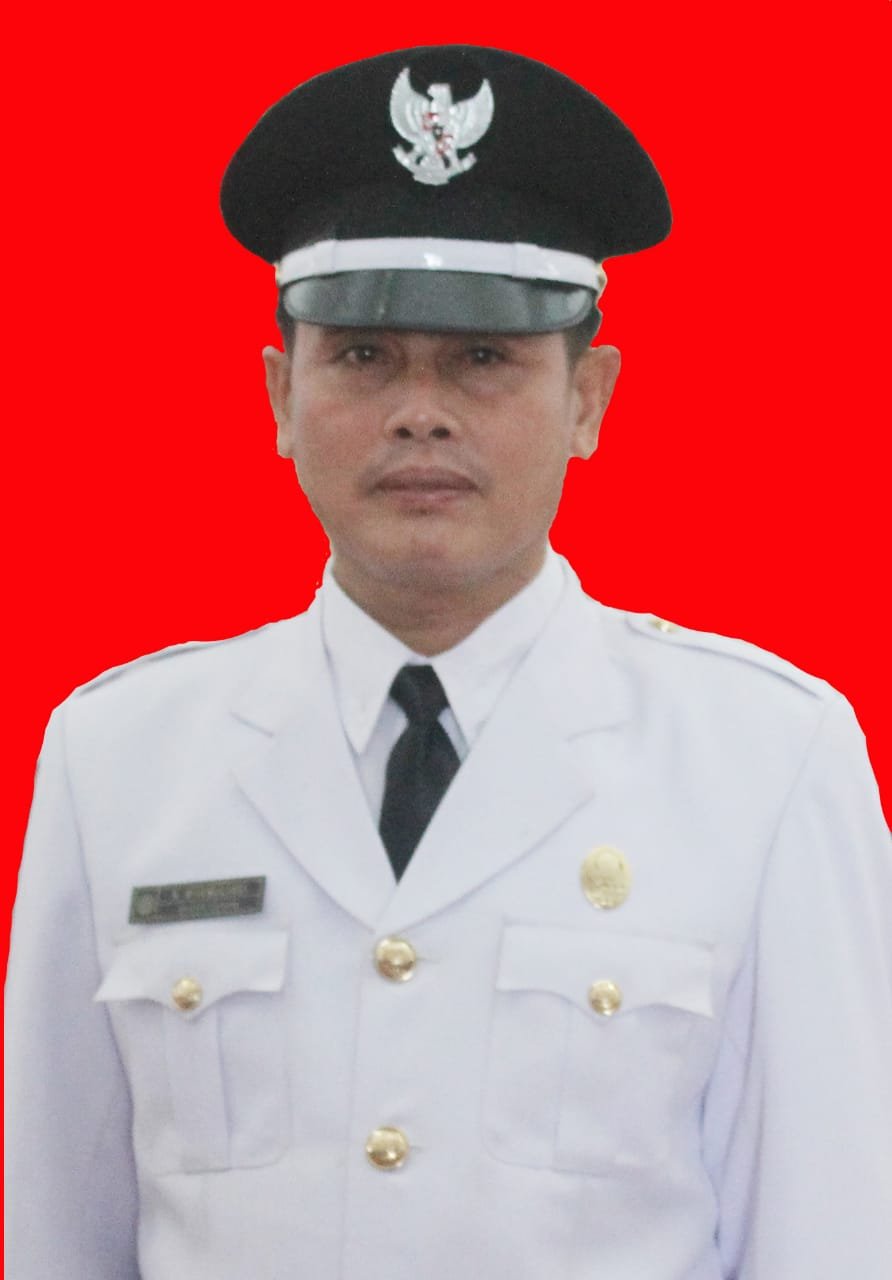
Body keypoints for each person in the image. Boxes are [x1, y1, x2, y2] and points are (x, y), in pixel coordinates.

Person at [5, 44, 891, 1280]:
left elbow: (832, 1230)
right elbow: (53, 1227)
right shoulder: (120, 759)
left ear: (588, 397)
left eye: (484, 358)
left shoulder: (765, 761)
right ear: (280, 394)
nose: (421, 411)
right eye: (364, 356)